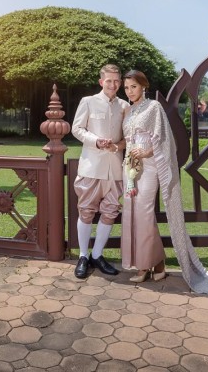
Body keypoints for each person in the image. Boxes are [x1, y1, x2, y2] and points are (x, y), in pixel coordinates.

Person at [121, 69, 208, 296]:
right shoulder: (130, 110)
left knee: (144, 212)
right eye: (126, 88)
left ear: (143, 86)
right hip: (131, 167)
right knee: (132, 212)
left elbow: (164, 139)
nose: (129, 91)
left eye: (133, 87)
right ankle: (159, 262)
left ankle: (145, 265)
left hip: (150, 164)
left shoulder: (153, 107)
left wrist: (145, 153)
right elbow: (128, 140)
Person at [71, 64, 129, 279]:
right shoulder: (88, 101)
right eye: (109, 80)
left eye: (116, 81)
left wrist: (118, 145)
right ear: (101, 82)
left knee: (111, 211)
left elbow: (128, 136)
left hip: (115, 168)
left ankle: (97, 254)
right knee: (86, 210)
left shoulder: (125, 106)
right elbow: (77, 129)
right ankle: (83, 256)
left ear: (120, 83)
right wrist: (96, 141)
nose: (113, 84)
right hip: (91, 166)